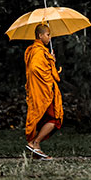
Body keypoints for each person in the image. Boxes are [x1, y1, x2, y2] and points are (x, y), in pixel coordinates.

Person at [24, 23, 63, 159]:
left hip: (42, 90)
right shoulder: (39, 51)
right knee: (54, 119)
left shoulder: (40, 51)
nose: (49, 38)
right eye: (48, 35)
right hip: (43, 91)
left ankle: (36, 149)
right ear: (40, 36)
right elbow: (35, 69)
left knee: (43, 119)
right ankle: (35, 142)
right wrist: (49, 65)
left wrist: (50, 61)